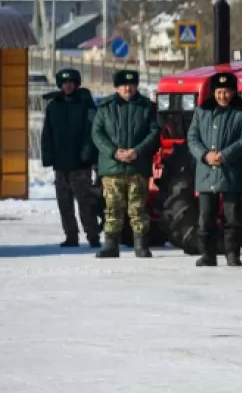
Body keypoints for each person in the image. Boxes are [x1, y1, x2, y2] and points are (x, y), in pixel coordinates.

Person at [187, 72, 242, 267]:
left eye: (227, 92)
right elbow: (192, 138)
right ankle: (207, 255)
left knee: (232, 216)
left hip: (231, 171)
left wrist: (224, 155)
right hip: (206, 171)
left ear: (234, 92)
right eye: (219, 92)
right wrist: (205, 155)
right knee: (206, 217)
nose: (223, 96)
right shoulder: (202, 112)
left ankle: (233, 254)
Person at [91, 70, 161, 258]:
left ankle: (141, 245)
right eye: (123, 85)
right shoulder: (105, 107)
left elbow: (154, 133)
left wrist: (136, 151)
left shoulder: (147, 107)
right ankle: (111, 245)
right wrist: (114, 152)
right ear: (117, 87)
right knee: (112, 207)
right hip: (112, 167)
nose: (127, 88)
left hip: (137, 167)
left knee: (138, 208)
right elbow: (97, 134)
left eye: (131, 85)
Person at [41, 68, 101, 248]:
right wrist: (48, 156)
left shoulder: (85, 104)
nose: (68, 86)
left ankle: (93, 236)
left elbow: (93, 132)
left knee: (86, 203)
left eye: (71, 82)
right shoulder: (53, 106)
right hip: (61, 164)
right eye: (64, 83)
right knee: (64, 203)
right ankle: (71, 236)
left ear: (76, 84)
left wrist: (88, 153)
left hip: (80, 164)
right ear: (60, 85)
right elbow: (47, 134)